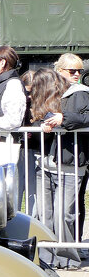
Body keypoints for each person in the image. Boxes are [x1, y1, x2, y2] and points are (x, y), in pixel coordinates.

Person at [35, 54, 89, 252]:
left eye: (79, 71)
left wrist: (62, 119)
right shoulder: (49, 90)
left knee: (65, 213)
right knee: (45, 214)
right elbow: (36, 114)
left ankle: (67, 255)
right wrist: (44, 122)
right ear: (59, 71)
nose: (76, 74)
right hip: (47, 161)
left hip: (71, 161)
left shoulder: (82, 93)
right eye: (72, 71)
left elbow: (85, 118)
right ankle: (47, 256)